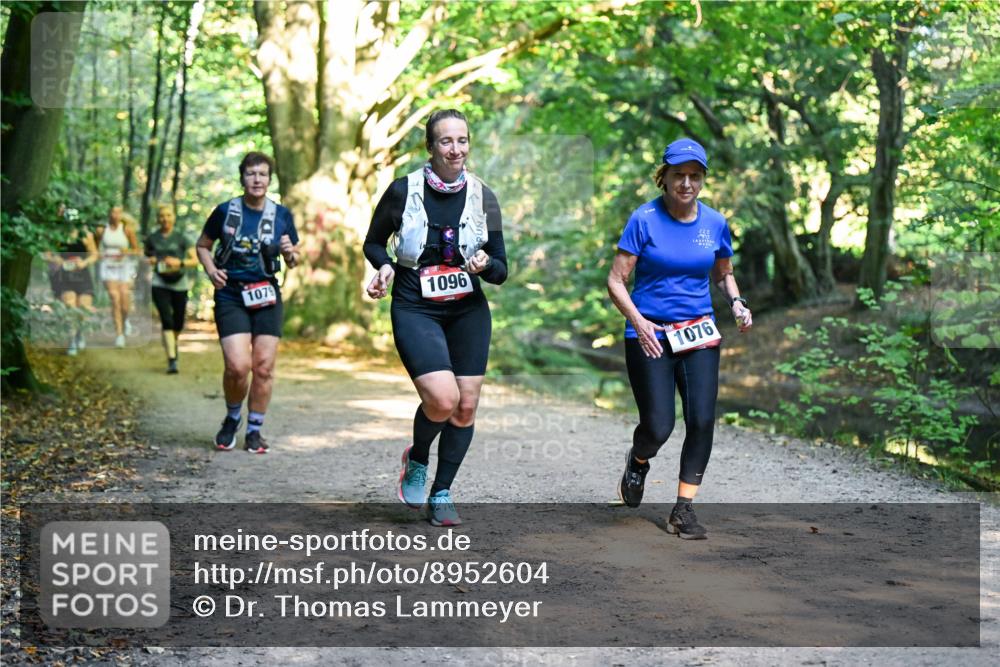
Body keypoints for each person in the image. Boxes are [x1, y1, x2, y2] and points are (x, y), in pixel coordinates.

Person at [363, 109, 507, 527]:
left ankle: (442, 492)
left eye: (462, 140)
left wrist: (484, 265)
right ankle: (419, 458)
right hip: (414, 304)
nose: (455, 149)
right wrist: (386, 266)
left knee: (465, 407)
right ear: (430, 147)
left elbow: (501, 268)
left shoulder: (485, 197)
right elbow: (373, 243)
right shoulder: (401, 191)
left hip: (467, 309)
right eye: (446, 141)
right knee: (443, 399)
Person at [606, 138, 752, 540]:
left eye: (694, 176)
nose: (686, 183)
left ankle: (683, 509)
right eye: (678, 175)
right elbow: (616, 280)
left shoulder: (715, 224)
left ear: (702, 179)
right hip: (649, 331)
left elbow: (723, 273)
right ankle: (638, 460)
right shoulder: (644, 219)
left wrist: (737, 303)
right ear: (664, 177)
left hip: (698, 332)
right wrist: (639, 321)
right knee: (658, 425)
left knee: (702, 419)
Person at [196, 152, 300, 454]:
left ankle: (254, 430)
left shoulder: (281, 215)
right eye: (251, 174)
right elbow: (203, 246)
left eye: (263, 174)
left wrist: (289, 252)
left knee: (264, 367)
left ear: (270, 179)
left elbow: (293, 259)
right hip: (231, 294)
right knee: (238, 366)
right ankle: (232, 417)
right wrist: (211, 270)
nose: (257, 180)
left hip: (266, 294)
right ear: (242, 177)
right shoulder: (225, 211)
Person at [144, 204, 198, 374]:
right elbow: (144, 257)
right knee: (166, 319)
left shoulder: (182, 238)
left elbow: (195, 260)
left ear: (173, 217)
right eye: (162, 216)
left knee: (178, 322)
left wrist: (179, 263)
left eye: (168, 215)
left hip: (179, 283)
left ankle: (171, 342)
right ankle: (172, 359)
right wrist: (150, 261)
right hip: (159, 282)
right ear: (158, 219)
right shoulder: (152, 238)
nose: (165, 219)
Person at [46, 204, 98, 355]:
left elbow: (94, 254)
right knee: (70, 304)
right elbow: (48, 253)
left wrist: (84, 263)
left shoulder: (86, 234)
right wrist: (60, 262)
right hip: (64, 275)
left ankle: (80, 333)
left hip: (82, 274)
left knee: (83, 307)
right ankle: (72, 340)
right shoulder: (57, 235)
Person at [96, 205, 139, 348]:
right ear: (109, 214)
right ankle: (119, 335)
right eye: (113, 212)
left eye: (119, 212)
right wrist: (100, 255)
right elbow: (94, 250)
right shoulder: (102, 231)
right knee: (115, 298)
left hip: (124, 267)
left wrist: (126, 252)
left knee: (124, 302)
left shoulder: (127, 230)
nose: (116, 215)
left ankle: (125, 319)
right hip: (108, 268)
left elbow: (137, 250)